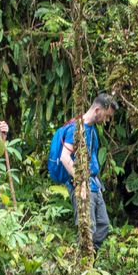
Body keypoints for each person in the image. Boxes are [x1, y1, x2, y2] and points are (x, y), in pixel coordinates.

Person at [58, 93, 118, 247]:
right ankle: (83, 258)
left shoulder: (92, 129)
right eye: (107, 116)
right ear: (97, 110)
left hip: (94, 184)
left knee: (103, 224)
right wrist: (81, 181)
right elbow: (64, 157)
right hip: (82, 185)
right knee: (87, 229)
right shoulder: (76, 128)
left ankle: (91, 257)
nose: (107, 120)